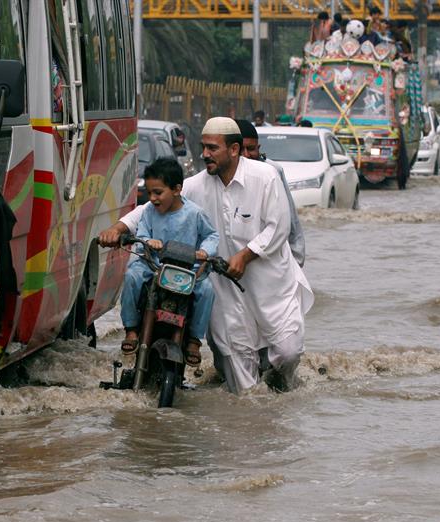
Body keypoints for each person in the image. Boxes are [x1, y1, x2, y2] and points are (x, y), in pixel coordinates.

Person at [100, 117, 313, 394]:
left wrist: (245, 255)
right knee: (240, 376)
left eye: (212, 148)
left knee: (287, 352)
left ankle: (280, 387)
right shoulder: (197, 185)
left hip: (272, 286)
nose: (205, 154)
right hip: (226, 289)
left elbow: (279, 227)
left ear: (234, 150)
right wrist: (118, 228)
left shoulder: (265, 177)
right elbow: (151, 208)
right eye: (203, 147)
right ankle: (253, 415)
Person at [119, 158, 219, 367]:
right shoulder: (148, 211)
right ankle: (131, 329)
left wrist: (204, 251)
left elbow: (212, 236)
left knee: (207, 290)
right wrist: (148, 241)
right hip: (152, 266)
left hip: (186, 270)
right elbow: (142, 234)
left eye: (158, 192)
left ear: (176, 189)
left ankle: (194, 340)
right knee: (131, 276)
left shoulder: (195, 213)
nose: (152, 198)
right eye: (149, 193)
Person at [235, 119, 306, 267]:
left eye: (251, 149)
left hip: (270, 261)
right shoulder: (219, 174)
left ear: (258, 148)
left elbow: (290, 222)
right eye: (241, 150)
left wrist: (296, 262)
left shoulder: (272, 171)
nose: (246, 155)